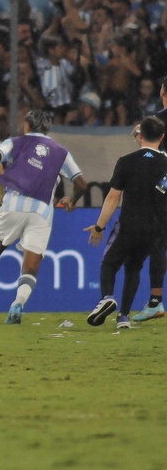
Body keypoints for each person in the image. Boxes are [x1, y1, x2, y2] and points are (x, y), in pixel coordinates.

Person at [0, 110, 87, 324]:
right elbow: (81, 183)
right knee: (31, 264)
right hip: (41, 211)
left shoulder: (16, 142)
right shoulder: (61, 152)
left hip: (14, 203)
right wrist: (72, 200)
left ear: (27, 125)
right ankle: (17, 304)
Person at [86, 117, 167, 328]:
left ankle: (106, 298)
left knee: (109, 263)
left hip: (129, 225)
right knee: (134, 268)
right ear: (162, 137)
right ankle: (123, 316)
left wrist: (99, 227)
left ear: (140, 136)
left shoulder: (127, 161)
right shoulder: (165, 163)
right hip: (155, 230)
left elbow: (113, 198)